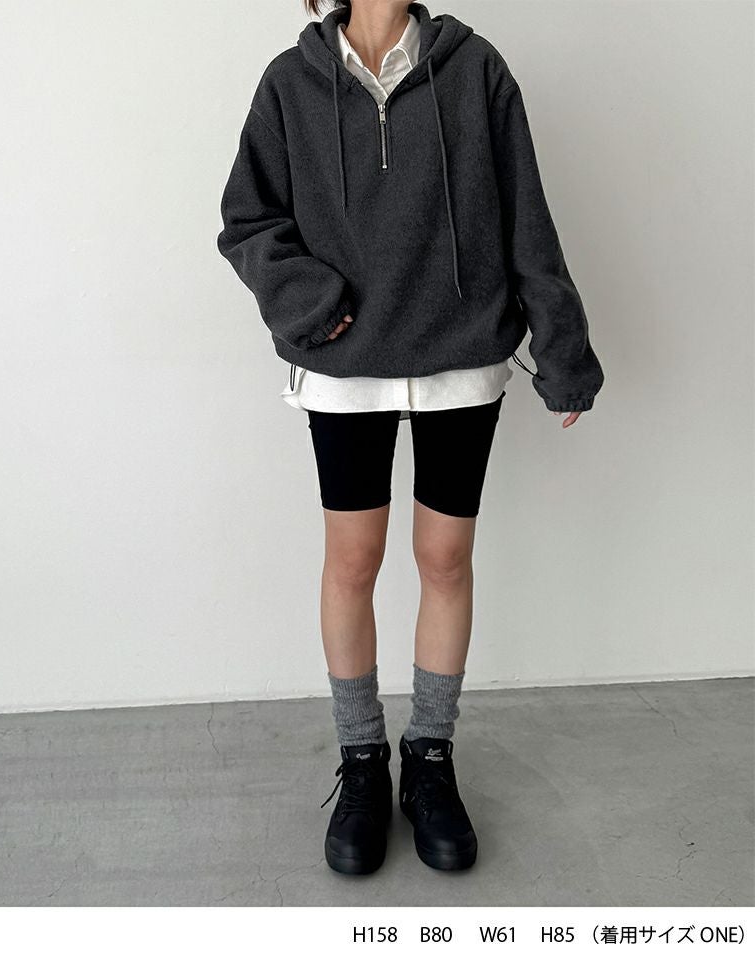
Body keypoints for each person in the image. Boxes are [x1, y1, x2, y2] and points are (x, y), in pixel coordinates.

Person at [216, 0, 604, 876]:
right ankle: (362, 760)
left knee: (445, 558)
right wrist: (313, 305)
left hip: (462, 355)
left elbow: (526, 215)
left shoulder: (475, 69)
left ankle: (429, 756)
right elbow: (247, 220)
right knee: (353, 559)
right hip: (344, 361)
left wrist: (563, 350)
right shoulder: (290, 83)